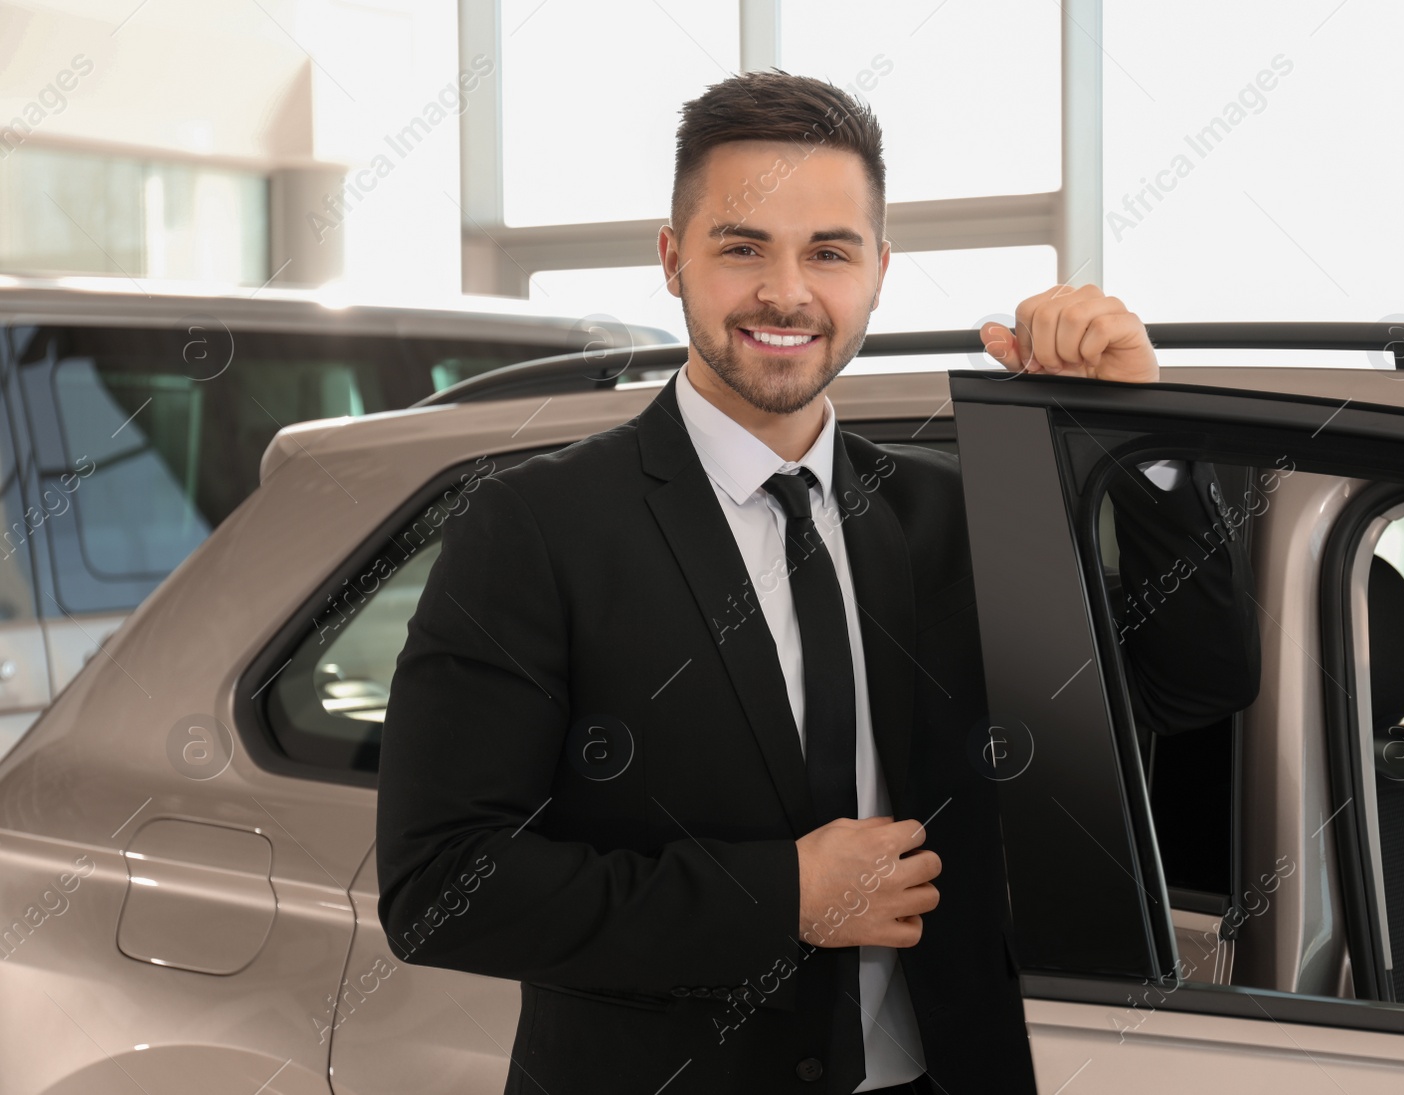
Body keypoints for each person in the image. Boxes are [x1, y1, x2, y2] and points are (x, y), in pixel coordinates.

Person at [376, 70, 1255, 1095]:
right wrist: (779, 895)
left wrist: (1137, 441)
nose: (785, 292)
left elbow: (1192, 684)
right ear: (672, 260)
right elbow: (441, 888)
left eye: (828, 252)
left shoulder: (962, 517)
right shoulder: (535, 525)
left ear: (878, 271)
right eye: (741, 246)